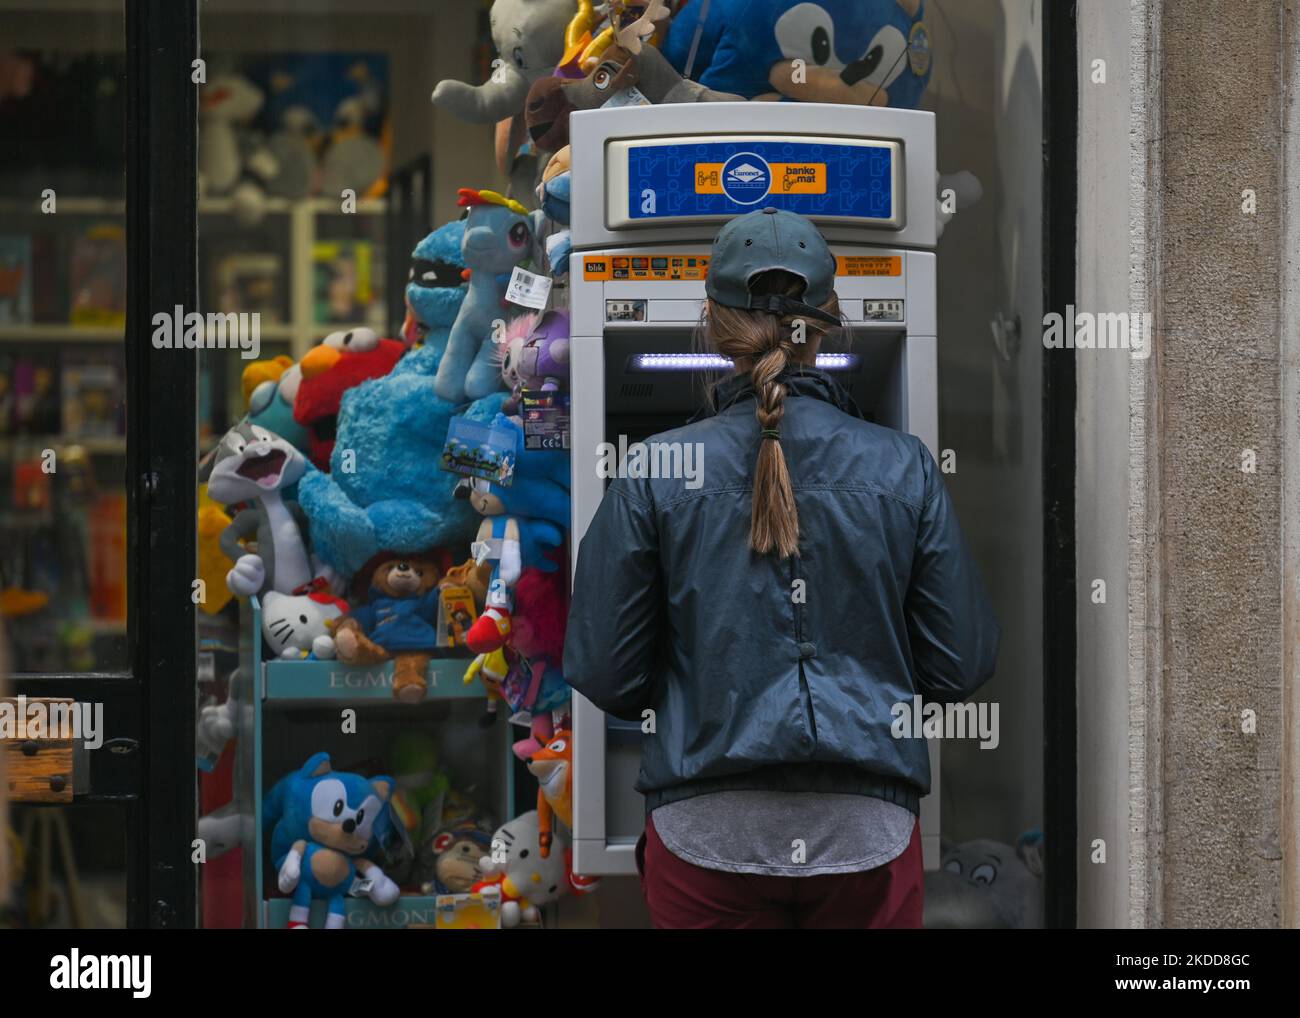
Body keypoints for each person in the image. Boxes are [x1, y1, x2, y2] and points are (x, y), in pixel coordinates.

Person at [564, 207, 999, 929]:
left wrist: (693, 689)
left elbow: (604, 668)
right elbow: (962, 662)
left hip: (704, 832)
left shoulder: (652, 469)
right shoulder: (904, 466)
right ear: (830, 320)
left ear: (712, 321)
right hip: (867, 833)